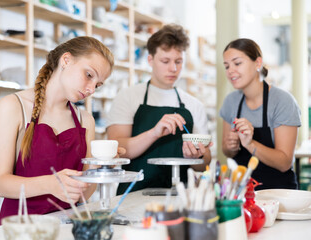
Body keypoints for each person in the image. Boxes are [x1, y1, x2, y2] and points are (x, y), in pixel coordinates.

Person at [0, 36, 114, 224]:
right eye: (89, 75)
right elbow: (0, 184)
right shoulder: (13, 106)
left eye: (97, 85)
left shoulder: (85, 120)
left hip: (67, 227)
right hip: (20, 229)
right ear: (66, 60)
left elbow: (84, 194)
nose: (91, 90)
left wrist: (100, 166)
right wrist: (51, 184)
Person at [106, 24, 212, 194]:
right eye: (165, 61)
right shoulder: (128, 96)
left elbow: (205, 164)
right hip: (133, 194)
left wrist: (197, 156)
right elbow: (117, 150)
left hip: (180, 196)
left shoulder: (194, 105)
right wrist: (153, 133)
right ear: (150, 60)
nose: (173, 69)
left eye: (178, 61)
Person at [220, 38, 301, 190]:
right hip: (241, 193)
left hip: (278, 194)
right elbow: (226, 151)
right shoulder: (230, 102)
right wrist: (231, 146)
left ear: (257, 63)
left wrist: (250, 144)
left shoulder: (282, 101)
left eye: (237, 63)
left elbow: (284, 163)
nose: (230, 71)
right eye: (226, 66)